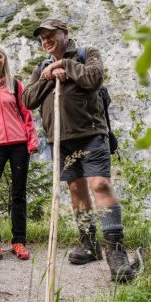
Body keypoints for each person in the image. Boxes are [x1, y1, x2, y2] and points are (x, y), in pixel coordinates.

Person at [21, 18, 135, 282]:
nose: (46, 41)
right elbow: (27, 99)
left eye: (51, 35)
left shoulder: (86, 54)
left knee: (101, 185)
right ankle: (89, 243)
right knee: (75, 188)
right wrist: (49, 75)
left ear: (65, 33)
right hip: (60, 139)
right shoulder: (41, 67)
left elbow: (94, 78)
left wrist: (66, 65)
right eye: (42, 38)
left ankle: (116, 252)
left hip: (92, 133)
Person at [0, 43, 38, 267]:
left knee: (18, 193)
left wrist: (32, 140)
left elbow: (26, 114)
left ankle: (19, 241)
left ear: (4, 59)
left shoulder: (15, 85)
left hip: (20, 145)